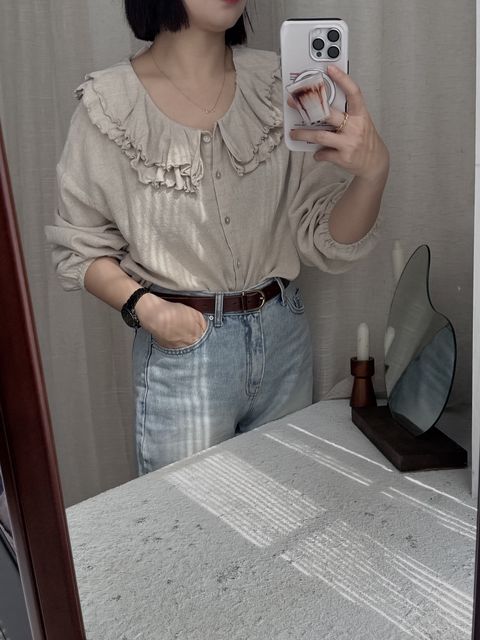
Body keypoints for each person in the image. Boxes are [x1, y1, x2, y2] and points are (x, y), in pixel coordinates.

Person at [45, 0, 389, 476]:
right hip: (183, 350)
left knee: (289, 507)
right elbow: (79, 247)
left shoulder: (280, 84)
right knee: (186, 515)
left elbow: (322, 235)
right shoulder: (110, 104)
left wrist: (373, 174)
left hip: (284, 338)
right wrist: (149, 310)